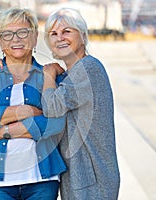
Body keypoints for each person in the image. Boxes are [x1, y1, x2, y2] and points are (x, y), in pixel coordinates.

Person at [0, 8, 67, 200]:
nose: (16, 39)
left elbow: (56, 123)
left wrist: (3, 131)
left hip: (42, 180)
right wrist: (27, 111)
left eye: (23, 32)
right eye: (7, 34)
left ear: (35, 37)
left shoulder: (50, 76)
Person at [42, 8, 120, 199]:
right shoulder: (72, 73)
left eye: (67, 31)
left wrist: (48, 75)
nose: (60, 37)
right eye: (53, 34)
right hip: (80, 177)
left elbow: (52, 108)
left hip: (93, 179)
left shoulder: (88, 69)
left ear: (83, 36)